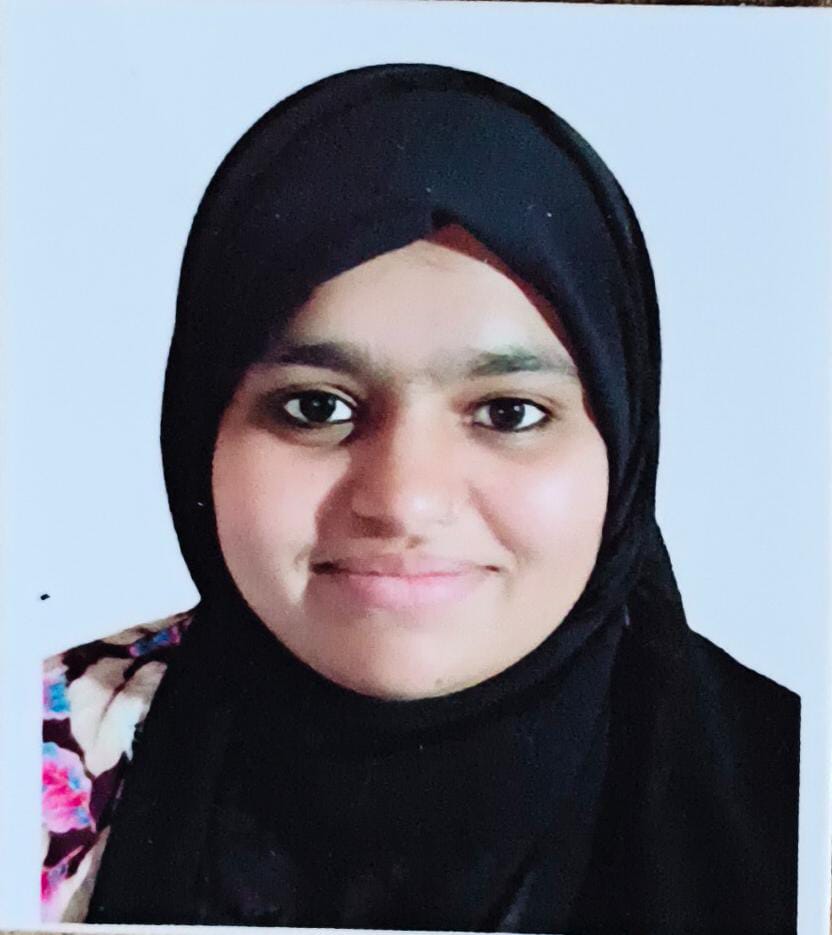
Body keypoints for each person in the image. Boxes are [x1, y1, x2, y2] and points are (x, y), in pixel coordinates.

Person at [40, 63, 799, 933]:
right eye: (315, 407)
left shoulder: (796, 790)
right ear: (199, 429)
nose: (404, 502)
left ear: (622, 450)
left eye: (509, 413)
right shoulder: (39, 757)